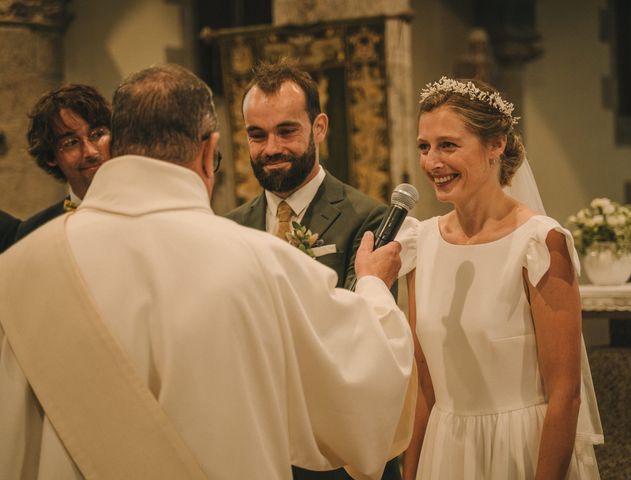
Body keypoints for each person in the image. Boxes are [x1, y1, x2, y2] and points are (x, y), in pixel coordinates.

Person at [0, 64, 414, 480]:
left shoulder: (18, 269)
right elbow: (365, 384)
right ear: (207, 150)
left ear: (112, 147)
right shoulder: (258, 261)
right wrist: (374, 287)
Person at [398, 77, 603, 480]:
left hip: (521, 450)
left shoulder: (540, 243)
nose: (431, 162)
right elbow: (424, 381)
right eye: (424, 146)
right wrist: (411, 471)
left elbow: (566, 394)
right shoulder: (419, 243)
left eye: (448, 145)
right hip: (446, 451)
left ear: (496, 145)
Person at [226, 61, 388, 292]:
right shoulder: (231, 227)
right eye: (258, 135)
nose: (271, 148)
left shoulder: (367, 219)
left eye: (286, 132)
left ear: (319, 127)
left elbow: (367, 319)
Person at [13, 84, 111, 243]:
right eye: (71, 142)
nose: (91, 152)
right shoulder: (33, 234)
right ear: (50, 157)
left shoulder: (149, 209)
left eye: (98, 134)